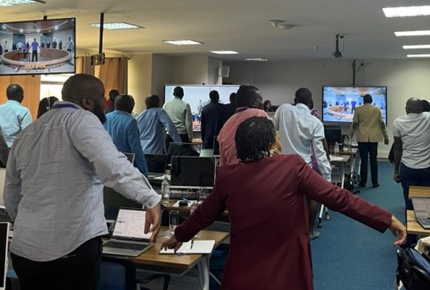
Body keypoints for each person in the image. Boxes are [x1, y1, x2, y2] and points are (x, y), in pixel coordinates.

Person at [161, 117, 407, 290]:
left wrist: (179, 235)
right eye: (276, 135)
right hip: (287, 271)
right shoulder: (292, 166)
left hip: (242, 273)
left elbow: (204, 213)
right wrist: (386, 219)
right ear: (269, 143)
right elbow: (339, 198)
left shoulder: (228, 176)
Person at [3, 74, 161, 289]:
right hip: (71, 247)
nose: (106, 103)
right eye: (102, 97)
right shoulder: (82, 119)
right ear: (87, 101)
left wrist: (25, 223)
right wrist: (150, 198)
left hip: (25, 250)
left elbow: (11, 189)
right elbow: (113, 168)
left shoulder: (29, 131)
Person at [274, 88, 332, 239]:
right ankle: (309, 232)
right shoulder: (315, 122)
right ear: (311, 102)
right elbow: (320, 154)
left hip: (281, 166)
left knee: (284, 199)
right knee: (311, 198)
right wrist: (327, 178)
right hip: (303, 167)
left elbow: (272, 130)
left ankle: (285, 232)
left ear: (295, 99)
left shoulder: (283, 109)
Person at [217, 85, 268, 166]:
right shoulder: (259, 114)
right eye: (260, 100)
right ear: (252, 103)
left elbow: (223, 165)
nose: (262, 103)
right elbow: (271, 148)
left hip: (233, 175)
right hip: (254, 172)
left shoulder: (225, 126)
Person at [103, 95, 148, 175]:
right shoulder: (130, 121)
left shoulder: (105, 118)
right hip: (125, 166)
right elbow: (136, 148)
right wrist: (144, 170)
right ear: (130, 106)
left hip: (107, 164)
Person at [351, 94, 388, 188]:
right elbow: (382, 124)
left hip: (362, 138)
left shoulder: (358, 109)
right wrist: (386, 137)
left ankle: (363, 182)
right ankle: (375, 182)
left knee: (363, 161)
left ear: (363, 101)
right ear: (371, 101)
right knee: (373, 160)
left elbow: (355, 124)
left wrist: (349, 135)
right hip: (374, 138)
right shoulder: (377, 109)